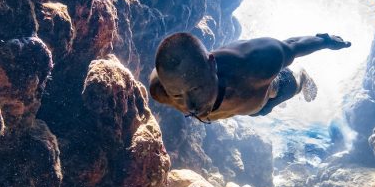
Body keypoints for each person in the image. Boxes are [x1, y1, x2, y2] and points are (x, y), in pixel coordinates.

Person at [148, 31, 352, 122]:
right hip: (248, 108)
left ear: (212, 64)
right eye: (176, 96)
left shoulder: (256, 65)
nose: (189, 106)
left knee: (289, 85)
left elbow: (292, 45)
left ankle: (302, 77)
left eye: (195, 89)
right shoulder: (163, 88)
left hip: (266, 95)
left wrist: (325, 41)